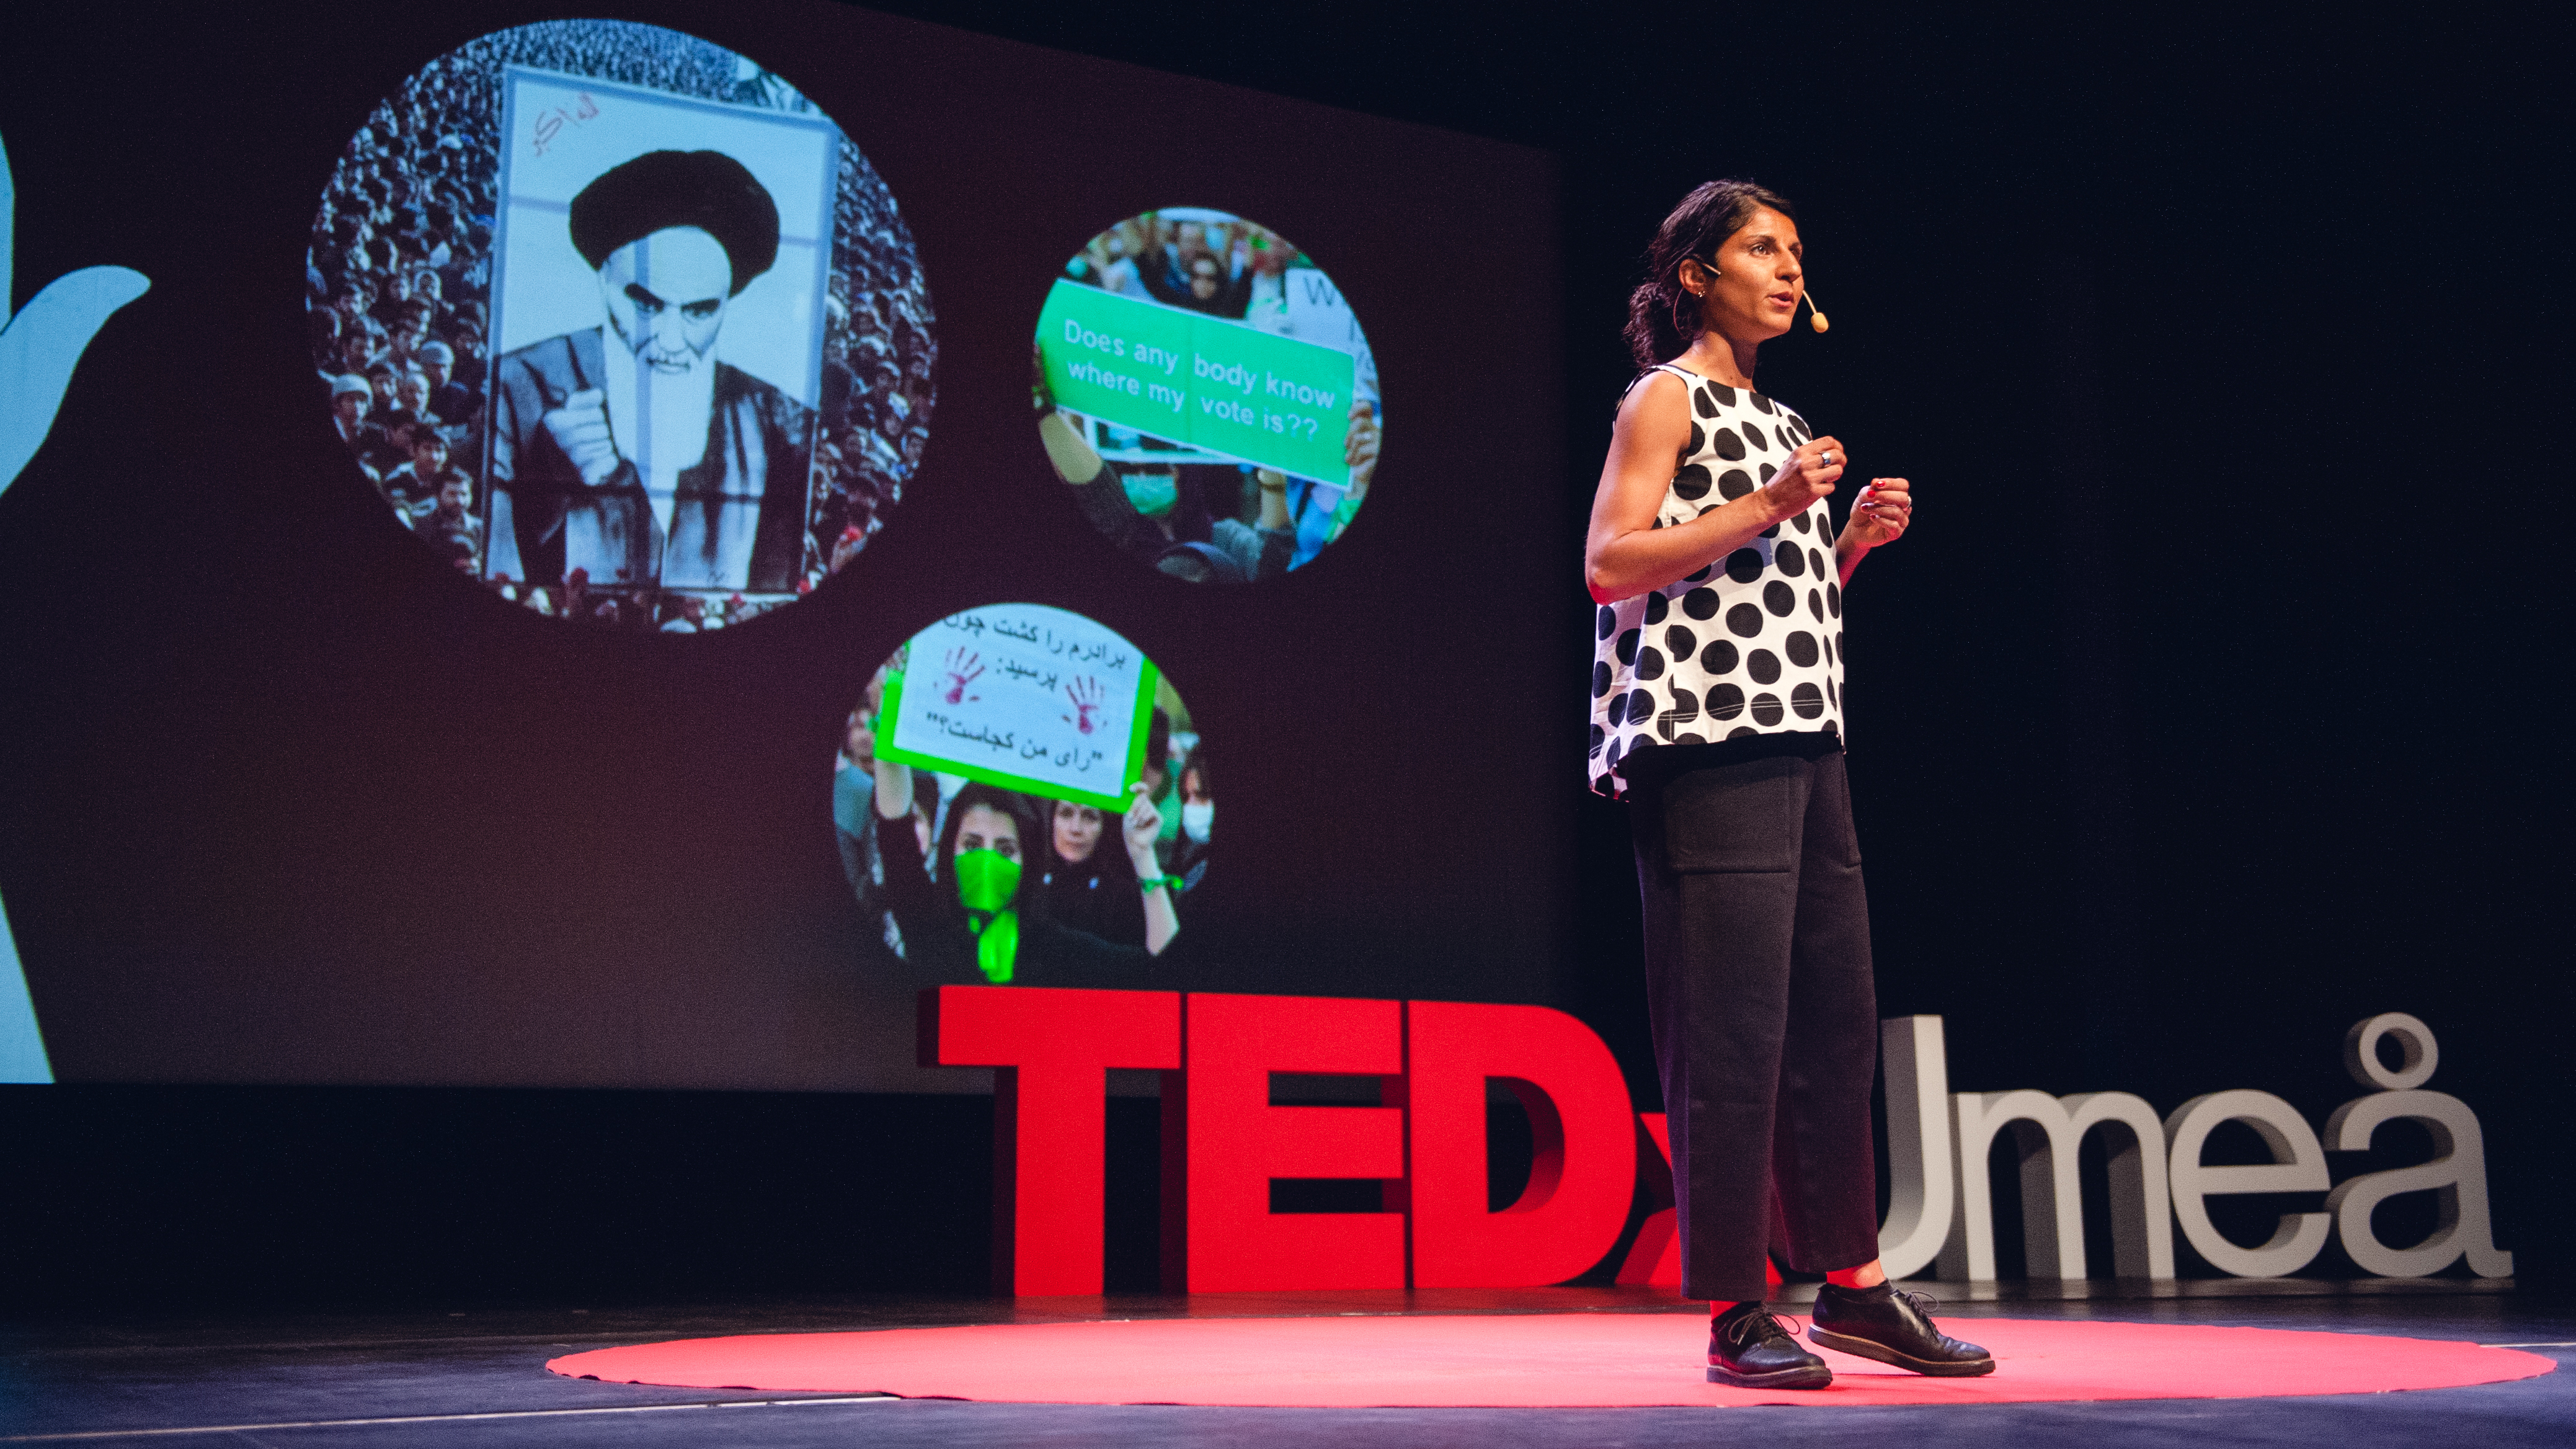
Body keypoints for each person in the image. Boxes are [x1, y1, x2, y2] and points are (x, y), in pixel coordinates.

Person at [1583, 180, 1981, 1389]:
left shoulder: (1783, 414)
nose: (1787, 266)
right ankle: (1731, 1307)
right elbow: (1610, 562)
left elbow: (1765, 604)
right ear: (1698, 273)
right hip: (1705, 750)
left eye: (1796, 249)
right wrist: (1770, 504)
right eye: (1760, 246)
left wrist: (1847, 543)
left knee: (1828, 1024)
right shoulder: (1666, 399)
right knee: (1729, 1031)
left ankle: (1852, 1287)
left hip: (1807, 744)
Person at [486, 148, 815, 594]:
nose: (672, 339)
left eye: (700, 312)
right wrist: (544, 486)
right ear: (604, 283)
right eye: (645, 304)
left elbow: (771, 596)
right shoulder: (515, 386)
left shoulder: (778, 421)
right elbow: (484, 572)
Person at [869, 760, 1179, 984]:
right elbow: (895, 829)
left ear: (1028, 861)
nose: (988, 860)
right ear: (950, 848)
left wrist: (1144, 856)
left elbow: (1161, 966)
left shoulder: (1052, 947)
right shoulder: (929, 924)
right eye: (973, 845)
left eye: (1005, 851)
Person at [1035, 797, 1150, 948]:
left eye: (1090, 816)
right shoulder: (1029, 881)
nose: (1076, 829)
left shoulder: (1126, 896)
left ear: (1106, 825)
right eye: (1066, 813)